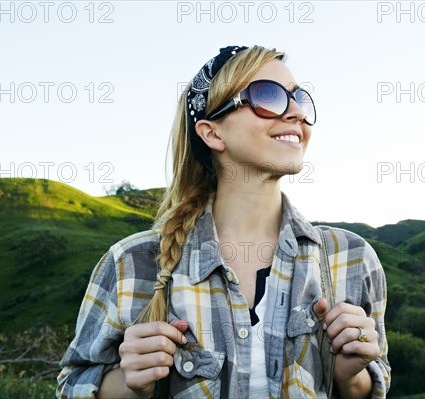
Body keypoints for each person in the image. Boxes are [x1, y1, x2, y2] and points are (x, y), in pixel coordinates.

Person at [56, 44, 391, 399]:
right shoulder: (131, 264)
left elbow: (373, 382)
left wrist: (350, 376)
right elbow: (72, 384)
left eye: (300, 98)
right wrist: (130, 382)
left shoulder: (351, 258)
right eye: (267, 96)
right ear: (212, 133)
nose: (296, 112)